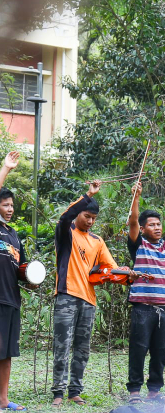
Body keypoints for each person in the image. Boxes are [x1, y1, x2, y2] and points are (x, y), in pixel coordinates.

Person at [52, 180, 129, 407]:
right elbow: (65, 216)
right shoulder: (66, 233)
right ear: (79, 214)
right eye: (87, 216)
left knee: (83, 349)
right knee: (62, 345)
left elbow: (110, 268)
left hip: (89, 300)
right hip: (66, 295)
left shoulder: (97, 241)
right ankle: (58, 391)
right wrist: (88, 194)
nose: (91, 221)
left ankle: (75, 391)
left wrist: (127, 274)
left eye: (94, 218)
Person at [124, 181, 165, 404]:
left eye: (159, 224)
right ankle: (134, 391)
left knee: (161, 350)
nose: (157, 227)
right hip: (142, 307)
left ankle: (154, 391)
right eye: (151, 225)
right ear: (143, 230)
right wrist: (137, 197)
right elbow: (132, 220)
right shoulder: (138, 244)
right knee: (139, 349)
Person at [0, 151, 30, 411]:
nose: (10, 209)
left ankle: (3, 399)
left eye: (12, 205)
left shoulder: (14, 236)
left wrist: (31, 278)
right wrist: (5, 169)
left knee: (6, 353)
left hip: (11, 299)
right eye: (5, 205)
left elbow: (23, 268)